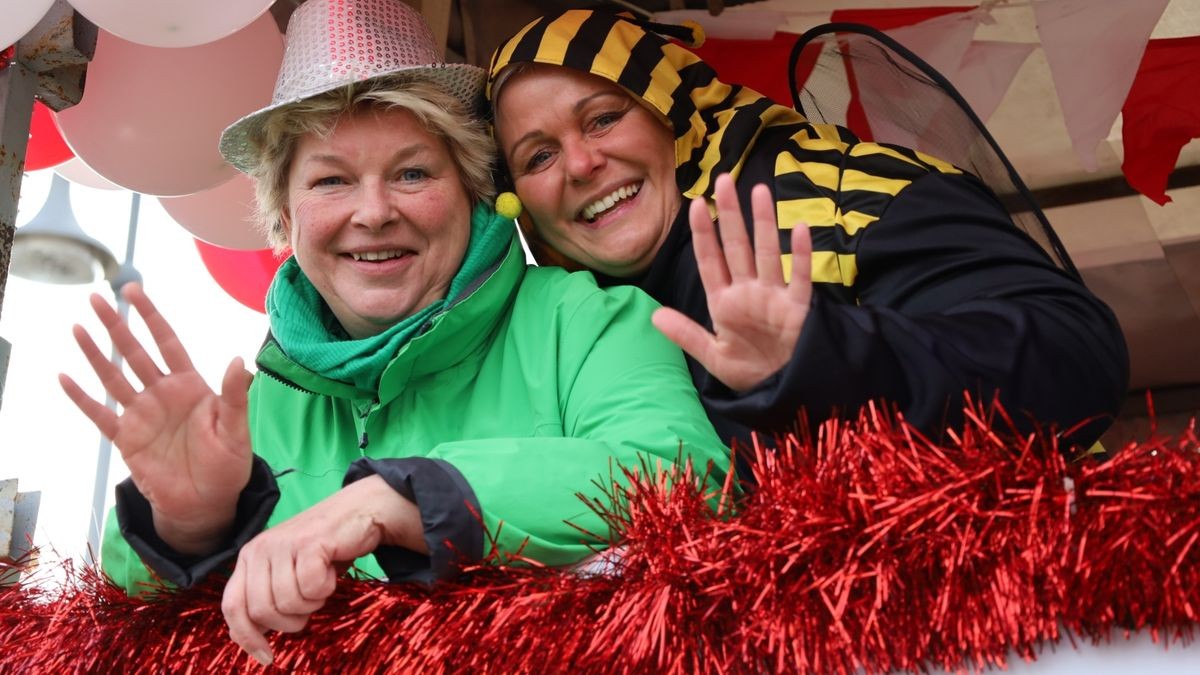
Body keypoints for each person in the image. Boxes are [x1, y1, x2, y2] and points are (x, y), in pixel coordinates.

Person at [60, 0, 726, 666]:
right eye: (331, 180)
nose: (374, 212)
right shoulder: (250, 411)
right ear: (285, 220)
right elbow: (133, 629)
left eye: (413, 173)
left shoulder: (590, 320)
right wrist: (186, 524)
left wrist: (408, 497)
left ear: (472, 191)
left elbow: (686, 478)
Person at [486, 9, 1129, 459]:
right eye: (537, 157)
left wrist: (818, 358)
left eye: (602, 119)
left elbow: (1075, 356)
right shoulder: (556, 327)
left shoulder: (848, 188)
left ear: (673, 111)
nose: (579, 164)